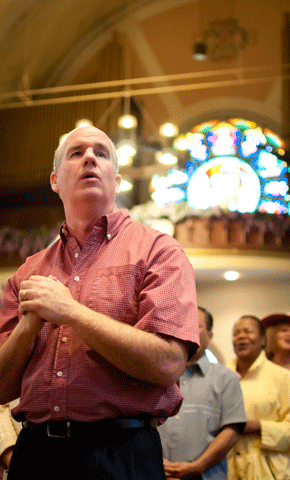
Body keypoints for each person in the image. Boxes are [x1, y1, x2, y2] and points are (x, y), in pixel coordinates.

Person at [0, 125, 199, 480]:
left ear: (117, 180)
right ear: (55, 181)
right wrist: (28, 329)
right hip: (35, 454)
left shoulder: (158, 251)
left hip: (120, 452)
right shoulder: (28, 272)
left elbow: (168, 363)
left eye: (101, 153)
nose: (90, 157)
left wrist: (71, 313)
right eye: (76, 153)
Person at [159, 306, 246, 480]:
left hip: (206, 475)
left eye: (196, 325)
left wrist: (197, 466)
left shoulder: (226, 377)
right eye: (182, 324)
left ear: (210, 336)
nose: (187, 330)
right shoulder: (159, 375)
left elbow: (232, 430)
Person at [227, 315, 290, 480]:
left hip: (267, 472)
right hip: (226, 471)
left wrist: (257, 427)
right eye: (236, 333)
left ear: (263, 340)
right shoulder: (222, 376)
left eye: (248, 331)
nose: (241, 336)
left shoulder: (283, 377)